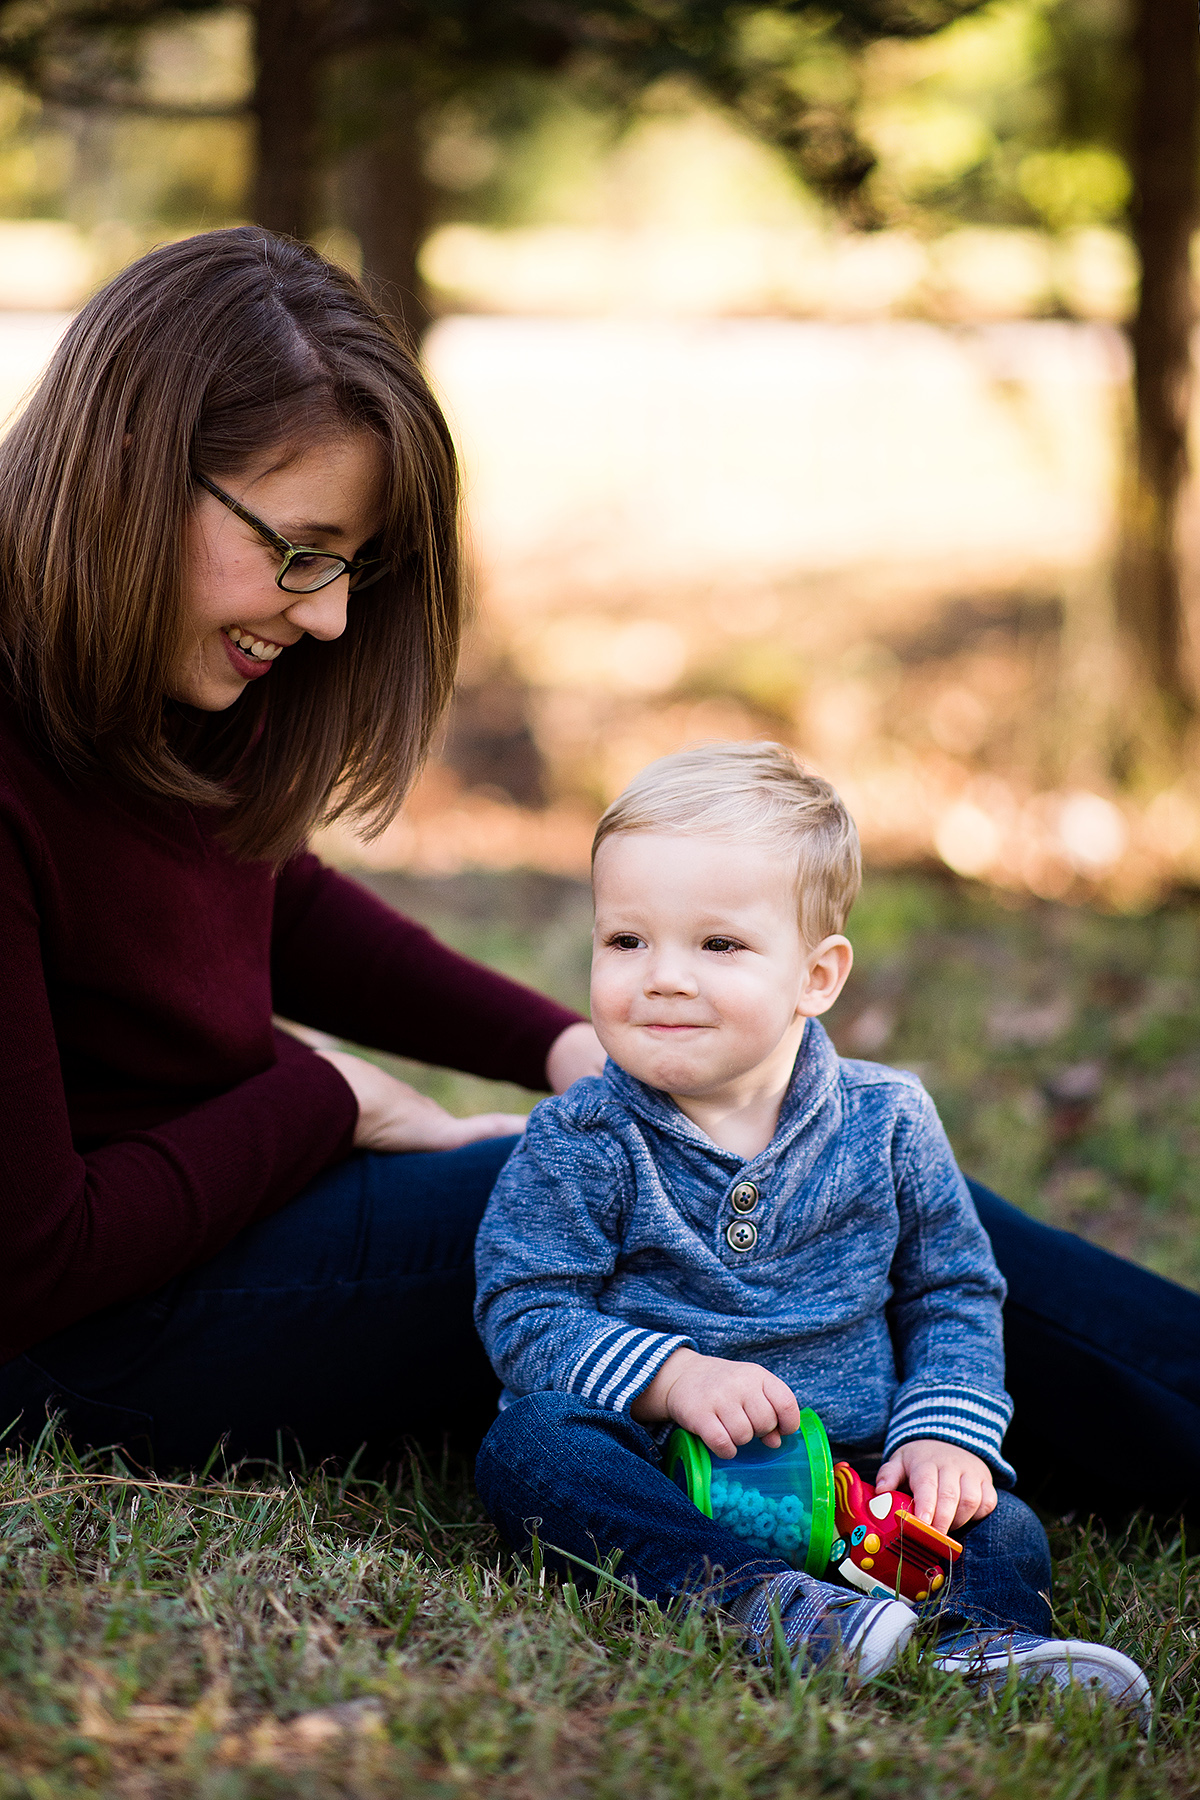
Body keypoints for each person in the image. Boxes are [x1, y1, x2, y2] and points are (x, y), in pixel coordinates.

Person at [0, 225, 605, 1470]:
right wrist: (332, 1096)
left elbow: (265, 894)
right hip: (87, 1326)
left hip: (200, 1221)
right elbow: (32, 1264)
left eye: (351, 567)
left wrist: (565, 1047)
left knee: (778, 1184)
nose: (328, 615)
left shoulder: (140, 665)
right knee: (675, 1199)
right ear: (132, 464)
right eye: (299, 552)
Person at [473, 743, 1150, 1716]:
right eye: (626, 942)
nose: (662, 978)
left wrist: (943, 1435)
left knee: (1003, 1524)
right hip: (665, 1467)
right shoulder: (583, 1137)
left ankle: (987, 1644)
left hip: (860, 1472)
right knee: (532, 1450)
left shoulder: (887, 1123)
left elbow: (951, 1291)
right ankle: (762, 1605)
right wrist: (673, 1379)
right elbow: (526, 1307)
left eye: (718, 946)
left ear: (818, 975)